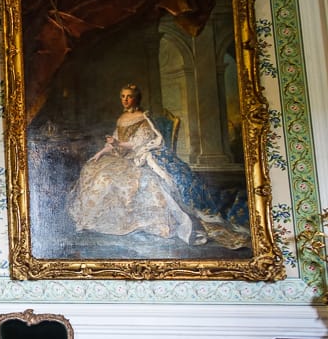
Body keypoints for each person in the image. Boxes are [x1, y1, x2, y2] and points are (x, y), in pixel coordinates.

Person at [66, 84, 248, 249]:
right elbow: (114, 141)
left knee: (109, 178)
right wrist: (100, 153)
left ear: (136, 99)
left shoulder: (143, 118)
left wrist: (118, 144)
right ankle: (95, 218)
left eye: (129, 96)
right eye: (123, 96)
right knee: (92, 170)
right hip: (121, 156)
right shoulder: (122, 118)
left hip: (137, 157)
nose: (125, 100)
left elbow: (139, 143)